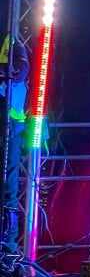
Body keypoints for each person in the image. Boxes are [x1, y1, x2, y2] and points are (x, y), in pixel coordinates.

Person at [0, 35, 29, 253]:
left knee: (9, 188)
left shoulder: (12, 37)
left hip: (11, 121)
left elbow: (20, 70)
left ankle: (8, 249)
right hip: (9, 118)